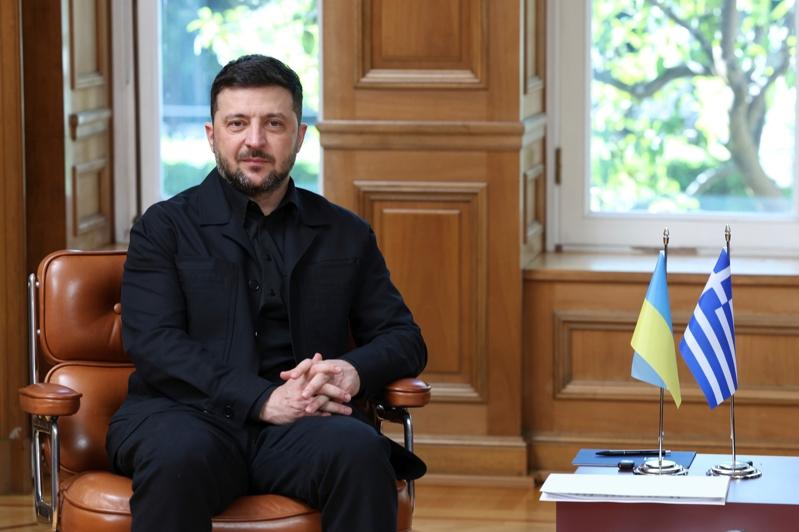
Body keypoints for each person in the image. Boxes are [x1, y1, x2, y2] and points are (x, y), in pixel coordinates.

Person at [106, 54, 427, 532]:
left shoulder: (346, 233)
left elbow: (405, 339)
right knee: (177, 458)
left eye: (273, 124)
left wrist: (353, 372)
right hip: (187, 417)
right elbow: (155, 344)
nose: (254, 141)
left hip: (306, 425)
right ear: (212, 135)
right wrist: (262, 399)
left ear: (299, 136)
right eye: (237, 123)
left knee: (360, 453)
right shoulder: (163, 228)